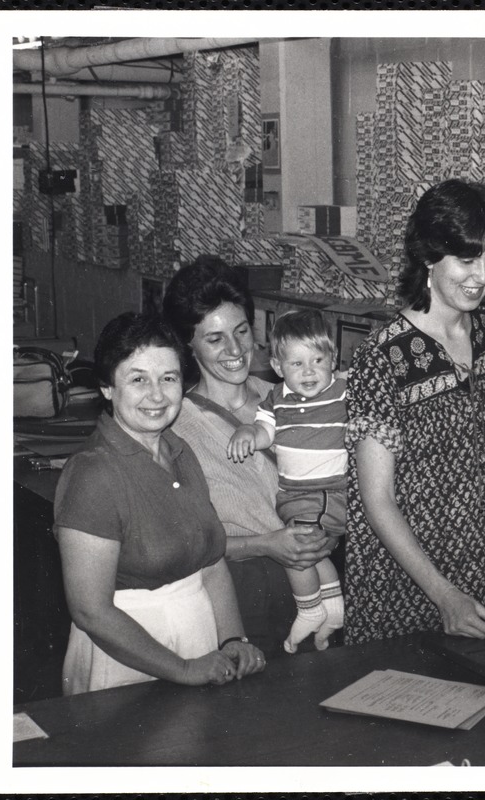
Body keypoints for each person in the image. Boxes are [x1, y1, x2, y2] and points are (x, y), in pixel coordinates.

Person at [344, 178, 485, 644]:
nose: (481, 276)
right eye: (466, 259)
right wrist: (444, 595)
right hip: (413, 586)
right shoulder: (381, 358)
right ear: (427, 256)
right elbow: (376, 498)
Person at [54, 312, 265, 695]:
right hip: (124, 660)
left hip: (200, 647)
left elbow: (212, 563)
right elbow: (90, 610)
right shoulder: (93, 474)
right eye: (138, 379)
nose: (157, 395)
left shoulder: (180, 452)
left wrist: (234, 640)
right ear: (106, 388)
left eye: (168, 378)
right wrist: (184, 669)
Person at [163, 255, 336, 656]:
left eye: (242, 330)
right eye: (215, 338)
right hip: (243, 597)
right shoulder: (177, 428)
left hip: (323, 586)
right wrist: (265, 544)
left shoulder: (289, 396)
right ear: (188, 345)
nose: (236, 349)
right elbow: (182, 541)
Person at [228, 310, 348, 653]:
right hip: (295, 494)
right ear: (279, 368)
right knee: (312, 552)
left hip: (328, 492)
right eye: (296, 364)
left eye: (317, 360)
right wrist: (248, 431)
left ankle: (309, 609)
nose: (309, 371)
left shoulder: (342, 391)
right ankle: (333, 609)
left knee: (296, 548)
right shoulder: (276, 398)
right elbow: (266, 432)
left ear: (333, 361)